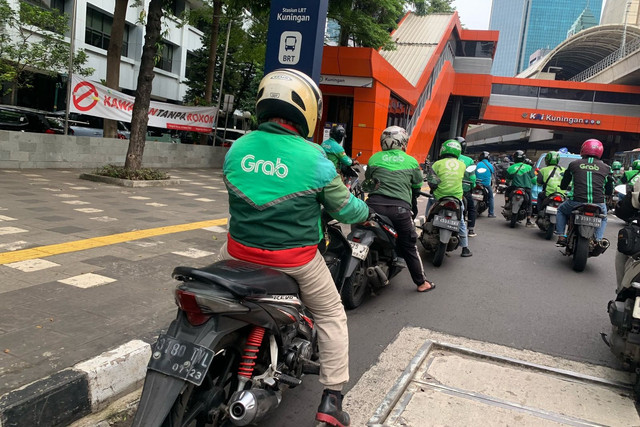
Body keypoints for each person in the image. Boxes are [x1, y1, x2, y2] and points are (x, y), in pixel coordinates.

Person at [219, 68, 369, 427]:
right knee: (333, 315)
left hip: (237, 254)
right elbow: (346, 208)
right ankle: (331, 401)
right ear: (308, 113)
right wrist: (363, 210)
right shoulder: (315, 157)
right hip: (295, 261)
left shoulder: (238, 147)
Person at [365, 126, 436, 293]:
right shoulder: (411, 161)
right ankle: (421, 283)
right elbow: (417, 185)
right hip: (399, 211)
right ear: (403, 142)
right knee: (409, 245)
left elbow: (368, 180)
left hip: (372, 207)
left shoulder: (374, 158)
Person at [555, 139, 612, 246]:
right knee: (603, 217)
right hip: (598, 202)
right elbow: (609, 188)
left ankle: (561, 235)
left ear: (583, 149)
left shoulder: (573, 165)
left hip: (576, 201)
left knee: (561, 211)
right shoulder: (607, 168)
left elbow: (564, 183)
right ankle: (598, 240)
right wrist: (608, 194)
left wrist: (563, 187)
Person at [429, 139, 473, 257]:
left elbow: (432, 182)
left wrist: (434, 188)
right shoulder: (463, 165)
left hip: (440, 197)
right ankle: (465, 248)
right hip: (457, 198)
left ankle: (427, 225)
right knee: (462, 221)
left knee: (430, 204)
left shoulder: (436, 164)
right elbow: (468, 180)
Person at [505, 150, 535, 226]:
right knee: (529, 203)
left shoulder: (510, 168)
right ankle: (528, 220)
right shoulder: (529, 167)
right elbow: (534, 179)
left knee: (507, 192)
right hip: (526, 189)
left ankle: (507, 204)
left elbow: (508, 180)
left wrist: (508, 182)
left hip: (514, 187)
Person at [456, 137, 477, 236]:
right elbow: (472, 178)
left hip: (447, 190)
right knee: (472, 208)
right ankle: (471, 230)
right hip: (464, 190)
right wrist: (472, 186)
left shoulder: (444, 159)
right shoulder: (468, 160)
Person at [475, 151, 496, 218]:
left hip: (476, 183)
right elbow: (494, 174)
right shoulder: (490, 166)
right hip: (486, 185)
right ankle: (491, 213)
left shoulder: (477, 164)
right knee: (490, 197)